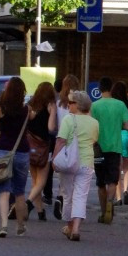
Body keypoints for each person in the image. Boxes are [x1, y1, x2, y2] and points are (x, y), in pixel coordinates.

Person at [51, 91, 100, 241]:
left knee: (68, 195)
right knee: (81, 196)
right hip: (86, 162)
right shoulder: (94, 122)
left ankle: (70, 226)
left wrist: (54, 159)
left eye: (71, 103)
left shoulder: (68, 119)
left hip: (69, 162)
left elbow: (61, 141)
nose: (68, 105)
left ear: (77, 105)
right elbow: (94, 140)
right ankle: (76, 229)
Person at [0, 76, 31, 237]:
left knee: (4, 191)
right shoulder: (27, 110)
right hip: (22, 151)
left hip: (3, 151)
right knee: (20, 191)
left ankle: (4, 225)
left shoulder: (1, 107)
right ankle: (20, 225)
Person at [91, 76, 128, 224]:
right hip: (115, 147)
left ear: (100, 88)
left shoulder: (94, 106)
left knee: (101, 182)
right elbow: (127, 125)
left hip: (99, 148)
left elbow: (91, 125)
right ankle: (110, 202)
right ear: (111, 87)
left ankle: (103, 212)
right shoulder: (120, 105)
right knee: (113, 180)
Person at [20, 81, 57, 222]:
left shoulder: (30, 105)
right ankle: (28, 203)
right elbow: (50, 127)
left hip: (29, 145)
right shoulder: (50, 105)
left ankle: (41, 212)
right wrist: (53, 113)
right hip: (43, 146)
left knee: (35, 180)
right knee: (42, 181)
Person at [52, 75, 81, 221]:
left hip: (61, 139)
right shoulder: (78, 104)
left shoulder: (59, 104)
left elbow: (55, 125)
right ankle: (67, 206)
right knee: (75, 176)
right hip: (76, 140)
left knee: (63, 171)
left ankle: (60, 196)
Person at [111, 81, 128, 205]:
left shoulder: (114, 105)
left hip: (116, 135)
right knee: (127, 166)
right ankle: (126, 190)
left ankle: (118, 197)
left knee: (116, 166)